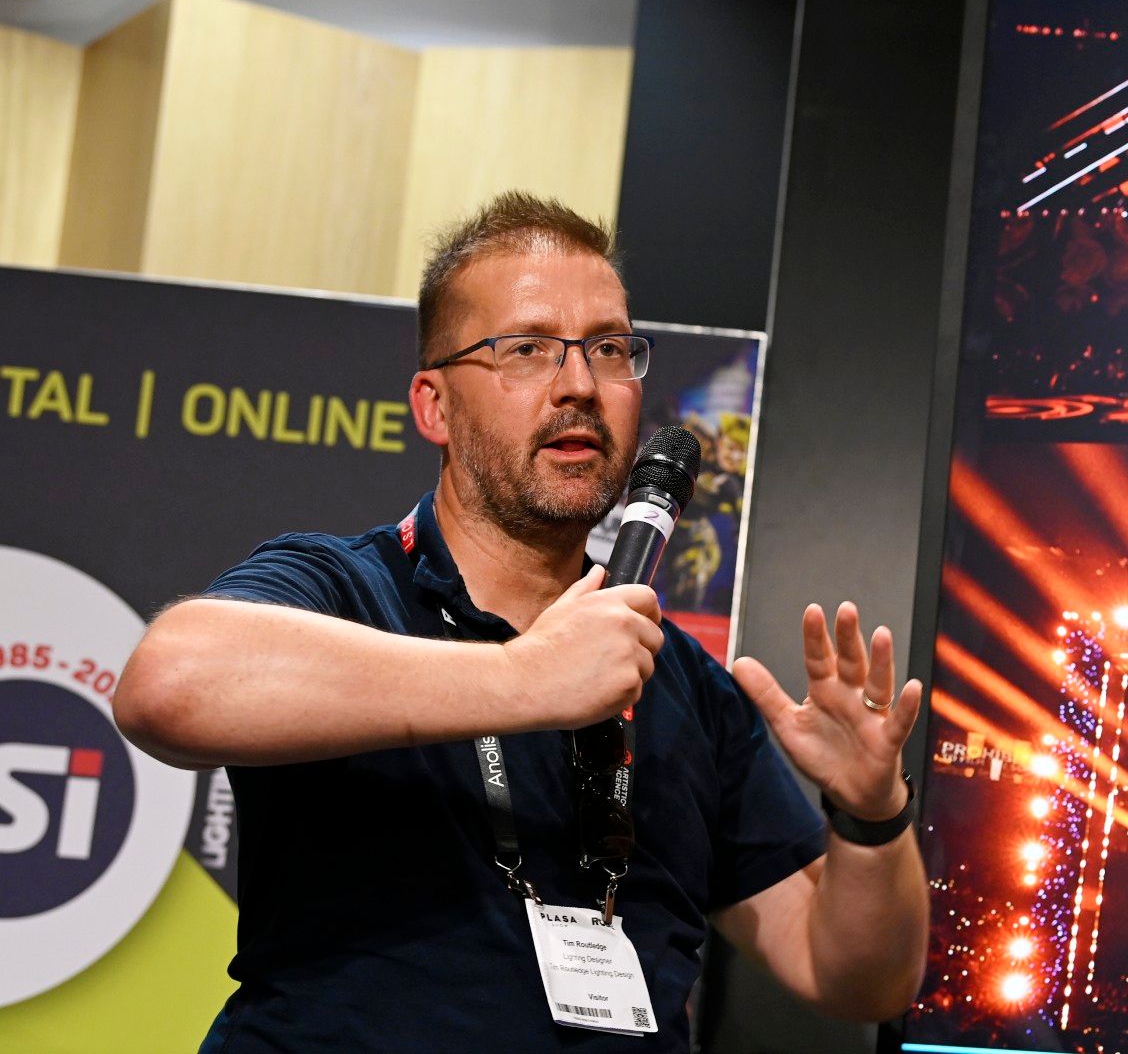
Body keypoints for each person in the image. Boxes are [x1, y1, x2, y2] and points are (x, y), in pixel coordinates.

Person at [113, 192, 929, 1051]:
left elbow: (855, 977)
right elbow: (167, 684)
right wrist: (519, 679)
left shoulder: (683, 681)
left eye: (610, 350)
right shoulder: (345, 587)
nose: (579, 383)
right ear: (434, 405)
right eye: (527, 349)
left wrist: (871, 815)